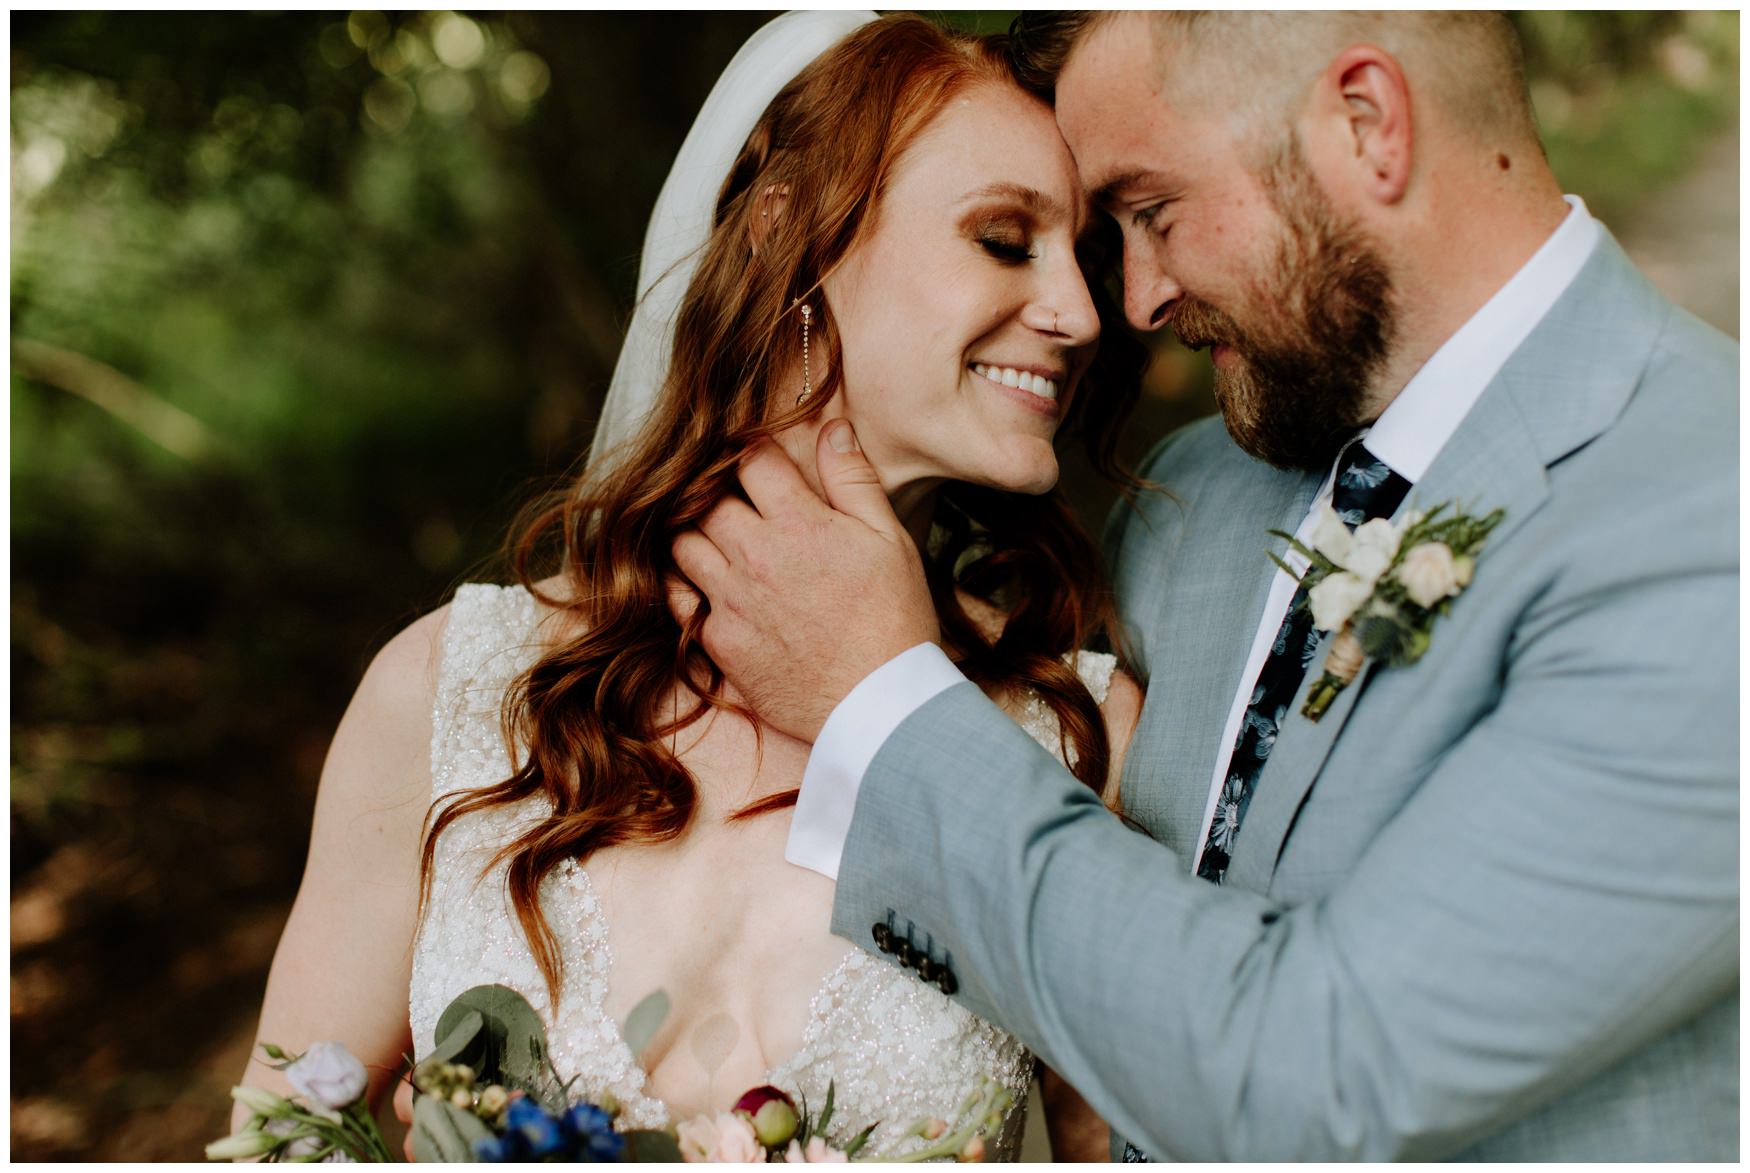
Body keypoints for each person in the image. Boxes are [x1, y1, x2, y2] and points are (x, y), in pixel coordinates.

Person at [672, 10, 1738, 1162]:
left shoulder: (1702, 523)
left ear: (1366, 124)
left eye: (1151, 213)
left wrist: (879, 700)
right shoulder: (1187, 504)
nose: (1130, 303)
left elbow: (1324, 1076)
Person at [236, 12, 1151, 1160]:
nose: (1079, 312)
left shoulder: (1077, 743)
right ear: (786, 238)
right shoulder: (448, 690)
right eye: (1006, 240)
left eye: (1088, 254)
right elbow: (283, 1139)